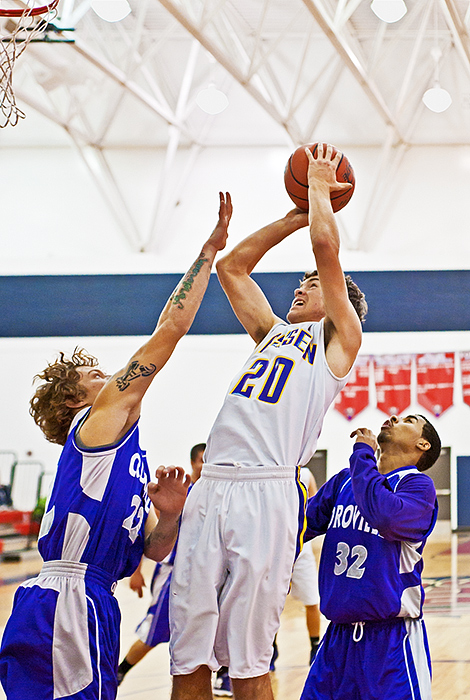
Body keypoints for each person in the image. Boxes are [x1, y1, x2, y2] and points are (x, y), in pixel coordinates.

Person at [0, 193, 232, 700]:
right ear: (73, 402)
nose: (108, 377)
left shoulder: (121, 456)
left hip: (93, 598)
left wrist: (167, 515)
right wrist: (207, 254)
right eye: (94, 376)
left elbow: (153, 547)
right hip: (66, 599)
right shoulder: (95, 424)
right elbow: (168, 331)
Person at [169, 144, 368, 700]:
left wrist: (322, 190)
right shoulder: (274, 333)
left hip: (267, 491)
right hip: (213, 487)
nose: (300, 286)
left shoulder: (337, 343)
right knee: (186, 654)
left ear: (334, 301)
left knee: (251, 659)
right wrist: (293, 215)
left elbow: (326, 247)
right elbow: (233, 267)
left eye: (310, 283)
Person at [300, 413, 441, 700]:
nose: (393, 416)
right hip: (337, 640)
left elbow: (384, 515)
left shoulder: (417, 487)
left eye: (408, 420)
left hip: (390, 642)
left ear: (422, 444)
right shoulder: (345, 481)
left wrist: (363, 454)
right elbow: (297, 527)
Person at [116, 444, 208, 686]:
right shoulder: (178, 492)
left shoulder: (213, 492)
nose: (205, 464)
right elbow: (146, 531)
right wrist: (136, 572)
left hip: (201, 573)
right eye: (201, 459)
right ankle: (119, 671)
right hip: (172, 572)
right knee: (153, 631)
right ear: (192, 463)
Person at [271, 466, 321, 672]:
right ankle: (269, 648)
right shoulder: (270, 472)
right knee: (270, 602)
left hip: (301, 547)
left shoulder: (307, 474)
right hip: (273, 547)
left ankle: (315, 648)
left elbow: (316, 507)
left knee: (312, 600)